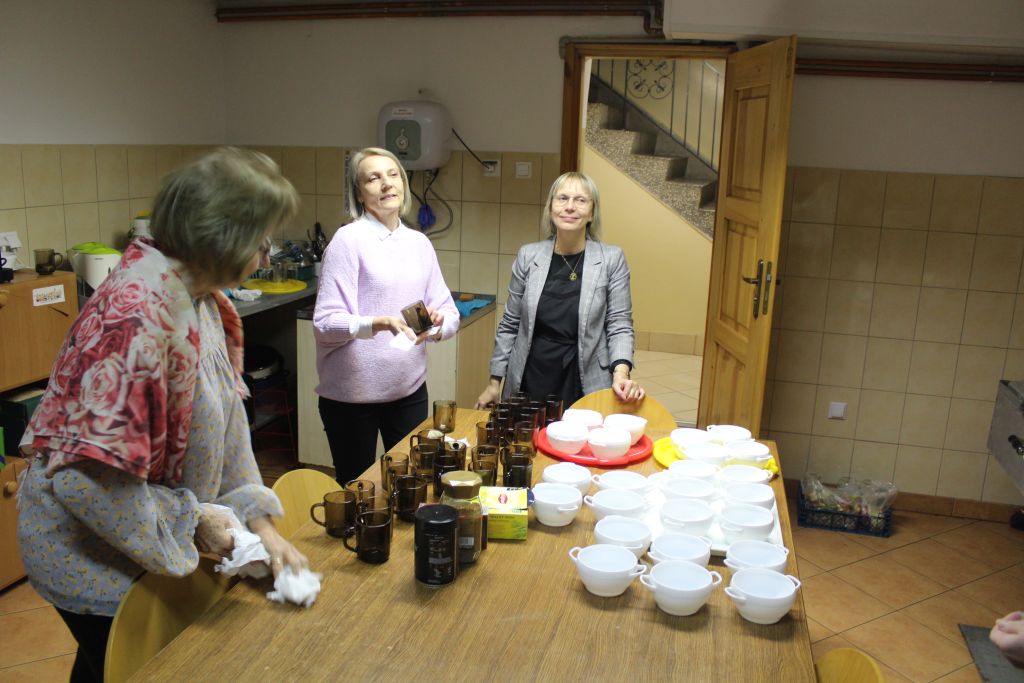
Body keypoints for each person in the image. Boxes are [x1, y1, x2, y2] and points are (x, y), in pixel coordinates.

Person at [16, 147, 308, 683]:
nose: (266, 257)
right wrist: (195, 521)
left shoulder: (200, 299)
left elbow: (226, 431)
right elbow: (86, 481)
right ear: (223, 238)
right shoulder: (135, 319)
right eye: (261, 241)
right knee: (132, 666)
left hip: (138, 545)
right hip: (89, 555)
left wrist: (258, 525)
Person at [313, 147, 458, 485]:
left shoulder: (419, 243)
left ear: (403, 184)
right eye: (373, 178)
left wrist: (438, 326)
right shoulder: (348, 241)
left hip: (408, 391)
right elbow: (325, 324)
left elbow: (449, 312)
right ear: (359, 193)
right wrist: (377, 323)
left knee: (411, 485)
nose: (386, 183)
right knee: (359, 491)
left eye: (393, 175)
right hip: (351, 398)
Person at [475, 171, 644, 409]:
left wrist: (621, 373)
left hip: (585, 378)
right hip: (531, 376)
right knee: (528, 433)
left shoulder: (611, 259)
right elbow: (510, 324)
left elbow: (619, 324)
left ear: (592, 213)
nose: (570, 206)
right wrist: (494, 383)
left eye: (581, 200)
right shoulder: (529, 256)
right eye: (562, 198)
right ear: (551, 208)